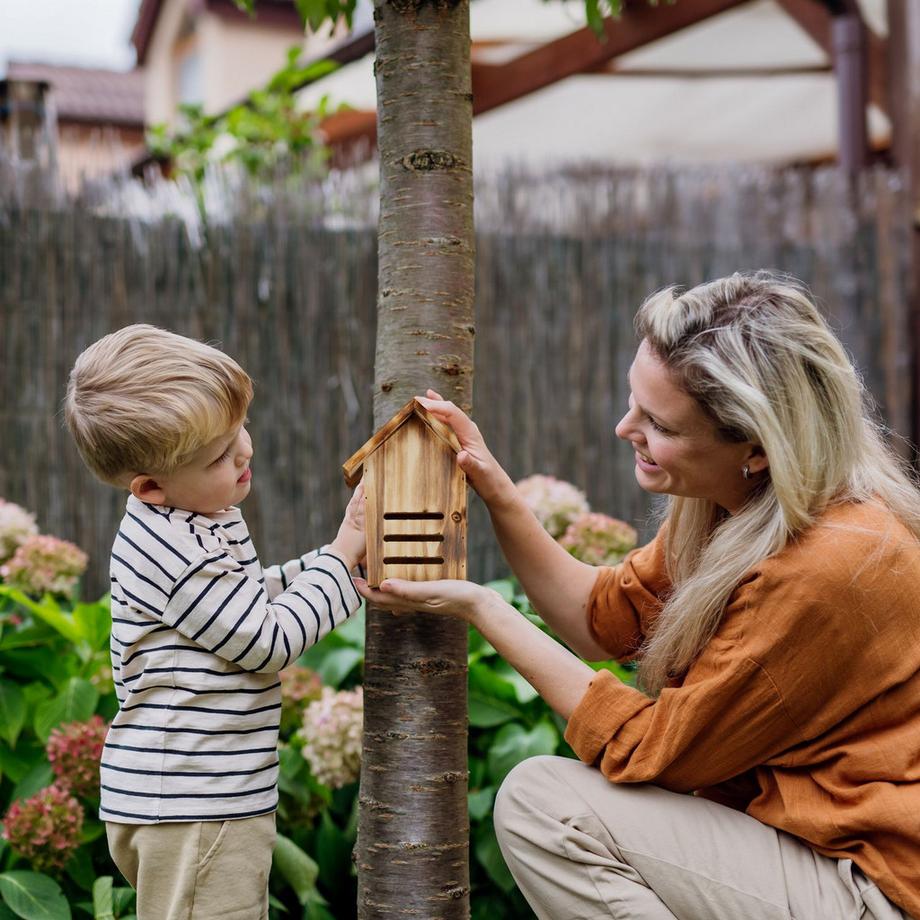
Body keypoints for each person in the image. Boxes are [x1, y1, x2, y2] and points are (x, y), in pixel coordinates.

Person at [357, 273, 920, 920]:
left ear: (757, 450)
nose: (626, 427)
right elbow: (604, 620)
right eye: (634, 402)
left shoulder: (825, 570)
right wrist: (498, 493)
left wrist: (486, 609)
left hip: (870, 888)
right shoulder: (736, 510)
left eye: (658, 423)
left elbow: (653, 753)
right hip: (809, 847)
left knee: (547, 806)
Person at [64, 324, 366, 920]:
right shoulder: (172, 548)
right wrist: (341, 554)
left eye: (239, 432)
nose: (244, 453)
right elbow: (267, 639)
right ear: (151, 486)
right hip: (194, 803)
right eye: (220, 456)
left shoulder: (193, 515)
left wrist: (335, 569)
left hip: (186, 796)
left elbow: (242, 601)